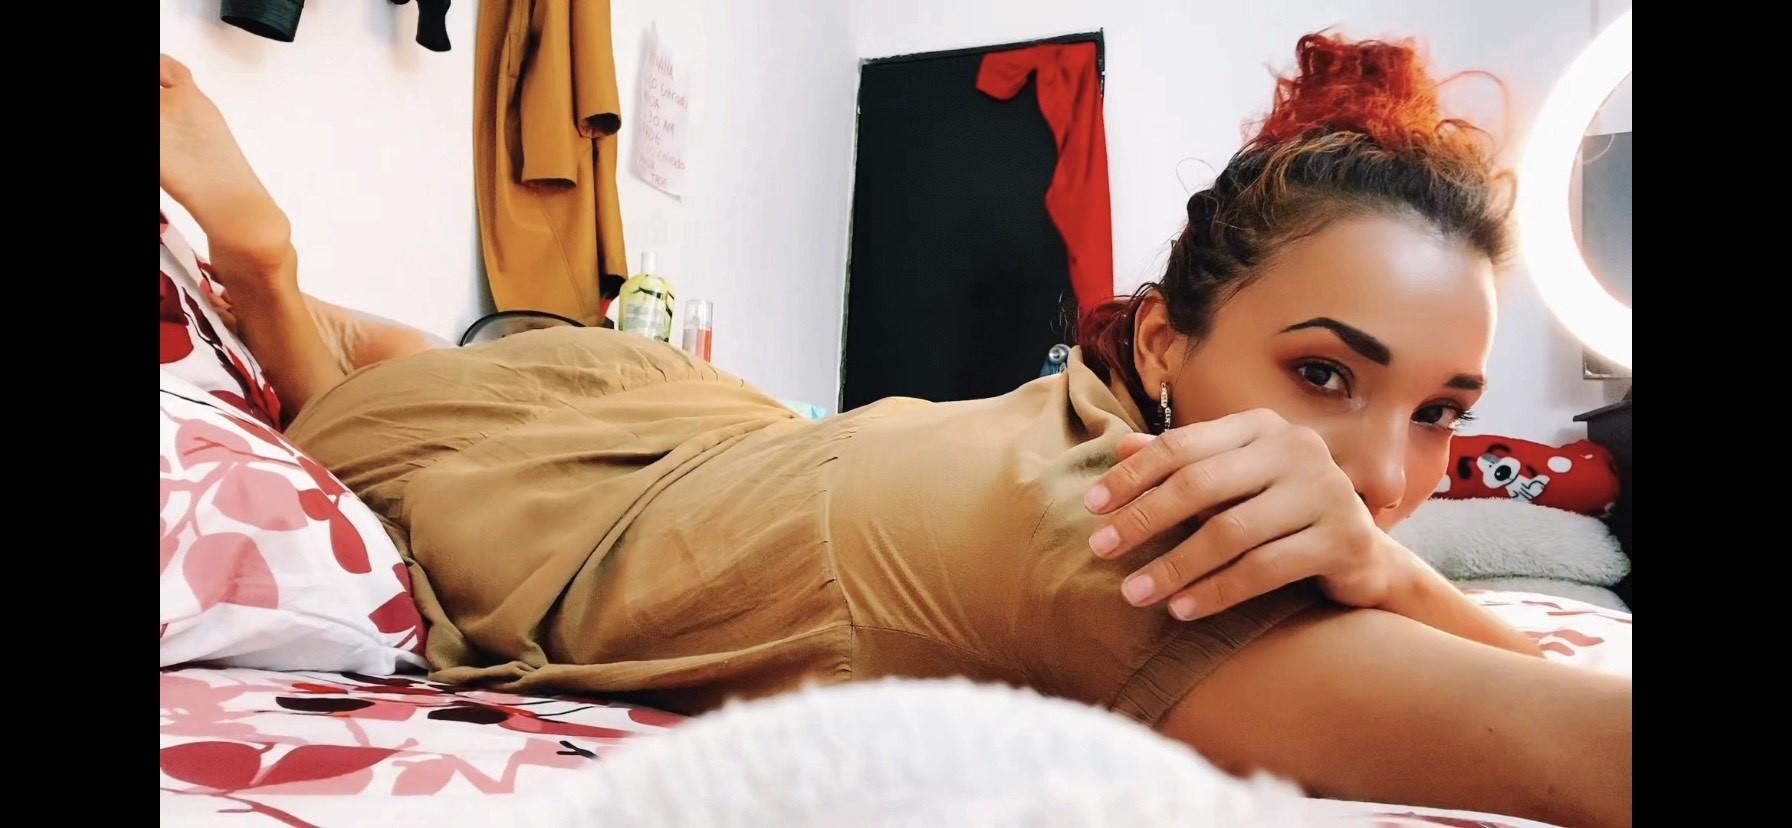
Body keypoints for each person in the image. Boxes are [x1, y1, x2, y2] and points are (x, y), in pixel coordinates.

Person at [160, 34, 1630, 828]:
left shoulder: (1120, 445)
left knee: (489, 360)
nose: (1383, 477)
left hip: (706, 430)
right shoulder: (1127, 551)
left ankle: (281, 287)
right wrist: (1400, 580)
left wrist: (1395, 574)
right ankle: (266, 277)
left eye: (1443, 414)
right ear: (1164, 346)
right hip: (595, 479)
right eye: (1322, 375)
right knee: (387, 382)